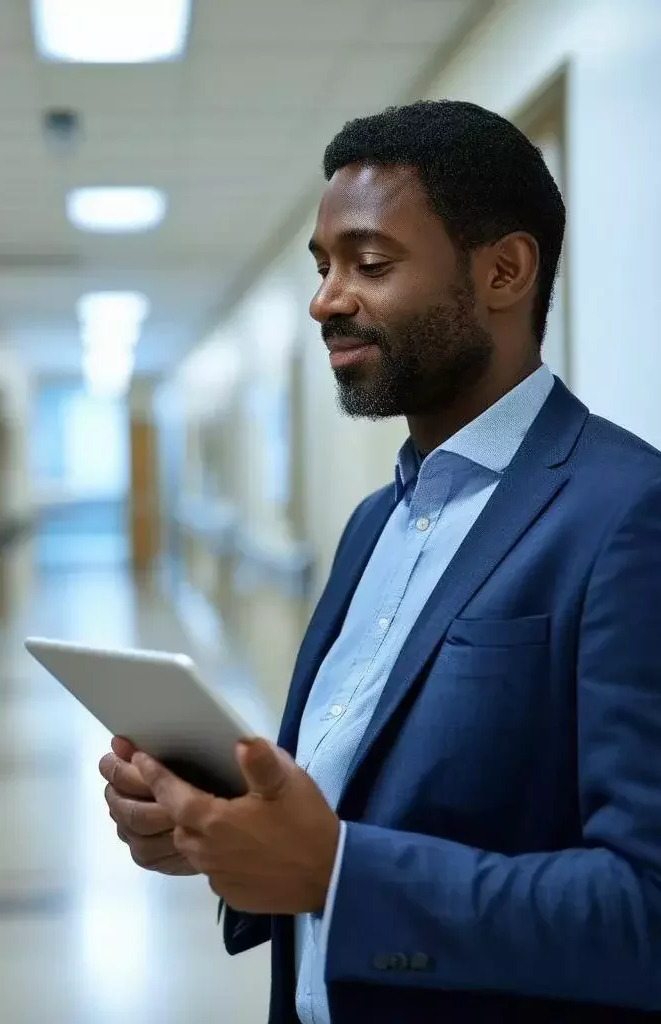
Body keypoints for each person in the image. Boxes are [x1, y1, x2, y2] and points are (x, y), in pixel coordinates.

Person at [99, 99, 661, 1023]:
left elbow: (643, 905)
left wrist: (337, 872)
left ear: (504, 272)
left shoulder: (625, 516)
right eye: (322, 268)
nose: (326, 300)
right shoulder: (375, 525)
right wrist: (217, 831)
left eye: (370, 263)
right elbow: (343, 800)